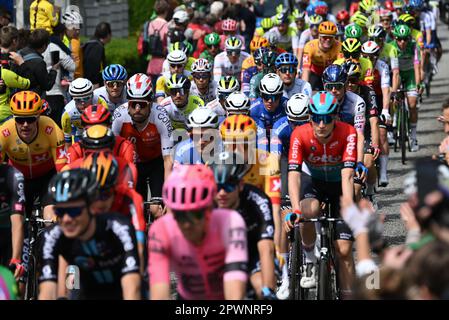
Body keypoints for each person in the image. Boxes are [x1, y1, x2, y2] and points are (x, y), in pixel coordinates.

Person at [286, 91, 357, 298]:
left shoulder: (348, 132)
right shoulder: (299, 134)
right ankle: (309, 260)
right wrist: (296, 209)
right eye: (316, 118)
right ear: (310, 117)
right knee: (309, 210)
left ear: (335, 116)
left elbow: (348, 176)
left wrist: (349, 208)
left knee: (344, 250)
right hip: (314, 182)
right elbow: (294, 176)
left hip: (338, 186)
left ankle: (347, 293)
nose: (321, 124)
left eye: (327, 118)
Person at [148, 164, 248, 300]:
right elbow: (159, 293)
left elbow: (235, 295)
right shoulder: (161, 229)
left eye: (196, 215)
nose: (187, 224)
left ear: (210, 208)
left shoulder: (230, 222)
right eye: (180, 216)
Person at [38, 169, 141, 300]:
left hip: (121, 289)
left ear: (92, 207)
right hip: (84, 289)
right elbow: (47, 290)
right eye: (60, 211)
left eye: (74, 211)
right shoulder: (52, 235)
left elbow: (132, 288)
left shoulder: (118, 228)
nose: (66, 219)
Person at [211, 151, 277, 300]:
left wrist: (267, 291)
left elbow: (266, 249)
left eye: (228, 186)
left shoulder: (258, 200)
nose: (221, 193)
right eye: (217, 186)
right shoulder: (206, 200)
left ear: (240, 185)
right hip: (219, 254)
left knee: (260, 287)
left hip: (253, 252)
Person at [0, 91, 67, 217]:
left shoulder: (51, 129)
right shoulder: (4, 132)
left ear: (38, 117)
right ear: (13, 118)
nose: (25, 125)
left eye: (30, 119)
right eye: (20, 120)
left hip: (47, 177)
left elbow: (62, 167)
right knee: (17, 220)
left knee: (51, 219)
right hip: (19, 179)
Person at [113, 73, 174, 198]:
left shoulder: (160, 116)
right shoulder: (119, 115)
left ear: (151, 104)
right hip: (131, 164)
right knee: (136, 204)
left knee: (156, 208)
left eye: (142, 104)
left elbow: (168, 160)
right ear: (127, 103)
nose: (137, 109)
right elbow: (113, 154)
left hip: (155, 163)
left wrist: (168, 196)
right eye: (133, 104)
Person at [389, 24, 421, 152]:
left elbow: (417, 66)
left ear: (409, 38)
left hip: (410, 75)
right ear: (395, 38)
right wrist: (393, 91)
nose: (402, 42)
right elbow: (394, 71)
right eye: (399, 39)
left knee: (412, 104)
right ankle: (392, 127)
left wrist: (419, 84)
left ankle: (413, 137)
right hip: (396, 74)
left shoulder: (413, 46)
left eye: (405, 39)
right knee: (392, 99)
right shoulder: (391, 46)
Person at [67, 104, 135, 164]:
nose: (96, 132)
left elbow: (129, 173)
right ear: (84, 129)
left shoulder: (124, 146)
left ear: (109, 126)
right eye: (91, 128)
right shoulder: (75, 150)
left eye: (100, 128)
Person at [61, 77, 108, 147]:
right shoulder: (67, 113)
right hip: (80, 134)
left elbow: (108, 129)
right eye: (78, 100)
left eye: (86, 98)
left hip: (98, 132)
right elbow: (68, 141)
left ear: (92, 95)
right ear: (73, 98)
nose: (83, 103)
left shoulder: (101, 103)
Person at [43, 31, 76, 126]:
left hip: (39, 95)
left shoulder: (28, 48)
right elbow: (72, 66)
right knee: (57, 128)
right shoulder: (52, 47)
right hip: (55, 93)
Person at [0, 164, 25, 281]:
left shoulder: (14, 175)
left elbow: (17, 222)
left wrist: (15, 260)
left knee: (15, 283)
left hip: (11, 231)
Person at [302, 21, 341, 91]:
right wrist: (303, 89)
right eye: (325, 37)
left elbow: (340, 67)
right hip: (314, 73)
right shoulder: (310, 46)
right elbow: (306, 69)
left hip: (330, 73)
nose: (328, 40)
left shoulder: (339, 46)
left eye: (331, 37)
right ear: (319, 36)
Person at [17, 28, 58, 97]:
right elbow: (47, 86)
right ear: (44, 46)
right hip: (32, 101)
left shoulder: (18, 53)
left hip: (17, 98)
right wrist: (54, 70)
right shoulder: (39, 63)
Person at [145, 0, 170, 85]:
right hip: (162, 60)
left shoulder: (151, 24)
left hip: (152, 61)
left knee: (152, 86)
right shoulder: (166, 25)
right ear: (166, 11)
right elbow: (167, 43)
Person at [83, 22, 112, 88]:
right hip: (93, 84)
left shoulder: (92, 43)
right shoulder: (96, 46)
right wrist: (95, 83)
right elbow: (93, 66)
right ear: (108, 34)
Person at [61, 7, 84, 79]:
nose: (78, 31)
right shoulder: (61, 41)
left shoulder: (76, 40)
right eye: (74, 28)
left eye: (79, 28)